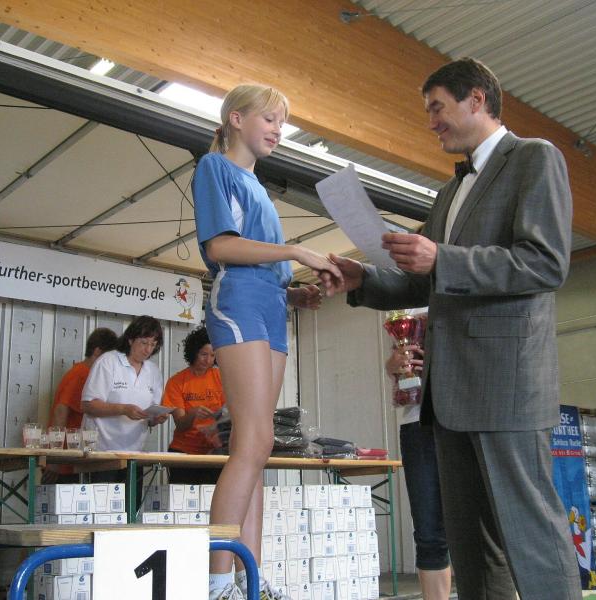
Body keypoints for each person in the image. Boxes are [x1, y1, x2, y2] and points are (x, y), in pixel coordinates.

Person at [322, 58, 582, 599]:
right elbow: (422, 280)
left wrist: (443, 257)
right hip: (450, 395)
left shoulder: (534, 157)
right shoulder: (450, 192)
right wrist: (361, 278)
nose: (431, 122)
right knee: (470, 543)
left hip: (507, 386)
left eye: (437, 107)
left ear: (477, 99)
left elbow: (545, 262)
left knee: (530, 533)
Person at [193, 83, 341, 600]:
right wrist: (296, 251)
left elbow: (265, 264)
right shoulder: (215, 168)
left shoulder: (260, 190)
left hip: (272, 307)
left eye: (283, 122)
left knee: (255, 449)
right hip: (237, 303)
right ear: (236, 119)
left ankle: (247, 579)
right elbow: (221, 246)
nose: (279, 130)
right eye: (270, 119)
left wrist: (293, 291)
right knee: (253, 442)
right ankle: (217, 582)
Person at [384, 309, 452, 600]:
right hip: (417, 422)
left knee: (484, 524)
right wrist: (394, 364)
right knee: (428, 532)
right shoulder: (403, 307)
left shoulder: (467, 287)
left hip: (467, 419)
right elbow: (396, 365)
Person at [81, 316, 168, 488]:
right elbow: (88, 405)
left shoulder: (153, 371)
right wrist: (123, 409)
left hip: (134, 454)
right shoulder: (109, 361)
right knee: (102, 503)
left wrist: (155, 418)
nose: (148, 349)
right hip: (102, 452)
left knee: (132, 503)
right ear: (130, 339)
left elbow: (149, 414)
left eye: (153, 344)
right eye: (144, 343)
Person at [43, 327, 118, 483]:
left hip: (76, 457)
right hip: (67, 461)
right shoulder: (81, 375)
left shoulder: (84, 374)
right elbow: (60, 413)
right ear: (97, 352)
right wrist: (55, 458)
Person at [163, 325, 224, 484]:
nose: (208, 360)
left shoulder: (221, 377)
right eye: (204, 354)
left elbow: (231, 413)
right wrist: (193, 413)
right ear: (193, 352)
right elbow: (180, 424)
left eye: (212, 355)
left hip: (214, 451)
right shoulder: (176, 382)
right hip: (184, 451)